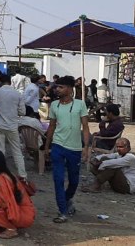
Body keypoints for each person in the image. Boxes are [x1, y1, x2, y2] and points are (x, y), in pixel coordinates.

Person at [44, 75, 91, 223]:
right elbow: (51, 126)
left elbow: (85, 127)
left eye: (61, 87)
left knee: (74, 180)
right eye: (57, 87)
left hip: (75, 148)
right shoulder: (54, 105)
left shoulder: (80, 104)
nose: (57, 89)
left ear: (70, 89)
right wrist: (47, 146)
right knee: (58, 179)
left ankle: (66, 199)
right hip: (58, 146)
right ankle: (62, 211)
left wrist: (86, 147)